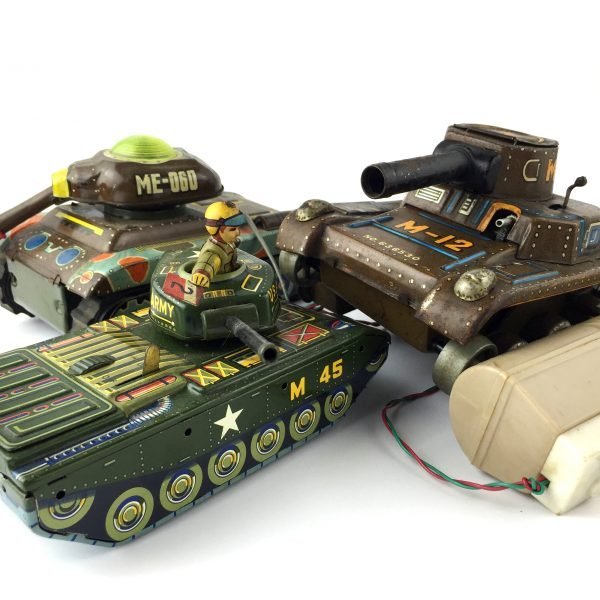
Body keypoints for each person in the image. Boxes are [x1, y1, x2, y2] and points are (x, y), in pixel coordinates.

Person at [191, 201, 246, 287]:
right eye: (232, 229)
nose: (238, 233)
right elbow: (207, 263)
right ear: (218, 230)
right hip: (222, 285)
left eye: (238, 228)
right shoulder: (214, 253)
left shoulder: (226, 243)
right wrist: (202, 273)